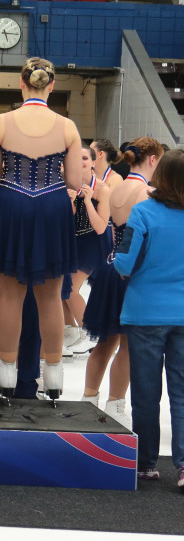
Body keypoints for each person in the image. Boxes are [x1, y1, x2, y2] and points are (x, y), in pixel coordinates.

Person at [0, 58, 82, 399]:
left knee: (10, 295)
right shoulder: (67, 127)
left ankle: (6, 373)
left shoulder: (1, 122)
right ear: (51, 85)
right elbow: (74, 180)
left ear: (21, 83)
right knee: (51, 297)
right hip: (52, 205)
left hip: (12, 203)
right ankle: (53, 375)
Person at [113, 148, 184, 488]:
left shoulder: (143, 213)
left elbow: (124, 263)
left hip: (145, 313)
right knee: (182, 393)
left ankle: (146, 463)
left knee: (146, 392)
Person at [83, 138, 162, 427]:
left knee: (104, 342)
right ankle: (115, 404)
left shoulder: (116, 188)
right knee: (128, 345)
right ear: (153, 160)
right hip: (132, 273)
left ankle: (88, 400)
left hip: (109, 266)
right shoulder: (148, 193)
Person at [65, 142, 112, 350]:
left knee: (70, 288)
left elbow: (101, 227)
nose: (81, 162)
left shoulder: (102, 189)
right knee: (59, 288)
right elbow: (66, 222)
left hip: (95, 243)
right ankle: (70, 332)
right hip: (73, 242)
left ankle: (89, 333)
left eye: (85, 158)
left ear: (94, 162)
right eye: (77, 158)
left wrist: (86, 202)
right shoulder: (66, 184)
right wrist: (71, 203)